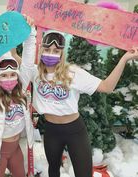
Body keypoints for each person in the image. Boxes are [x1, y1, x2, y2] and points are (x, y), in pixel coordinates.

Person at [18, 25, 138, 177]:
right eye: (47, 50)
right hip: (51, 130)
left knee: (83, 173)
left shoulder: (73, 73)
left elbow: (107, 87)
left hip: (74, 130)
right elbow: (22, 62)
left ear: (62, 54)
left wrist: (124, 59)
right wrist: (16, 43)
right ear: (41, 50)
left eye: (56, 51)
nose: (51, 54)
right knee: (53, 170)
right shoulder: (36, 72)